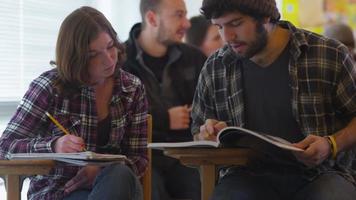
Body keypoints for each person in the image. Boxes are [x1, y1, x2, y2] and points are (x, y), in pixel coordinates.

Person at [191, 0, 356, 199]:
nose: (227, 37)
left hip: (322, 173)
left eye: (236, 24)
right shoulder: (215, 68)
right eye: (219, 26)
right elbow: (197, 131)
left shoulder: (329, 54)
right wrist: (207, 134)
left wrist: (331, 144)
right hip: (245, 176)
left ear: (266, 16)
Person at [0, 6, 148, 200]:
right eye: (93, 55)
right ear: (75, 58)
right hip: (60, 192)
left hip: (115, 186)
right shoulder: (48, 87)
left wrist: (101, 170)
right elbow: (5, 148)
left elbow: (139, 158)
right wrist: (54, 146)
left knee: (118, 175)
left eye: (110, 46)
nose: (108, 59)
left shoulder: (132, 88)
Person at [123, 0, 206, 199]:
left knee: (196, 185)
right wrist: (165, 119)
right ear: (152, 18)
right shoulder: (121, 59)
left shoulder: (194, 58)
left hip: (185, 155)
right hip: (140, 154)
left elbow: (209, 106)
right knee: (147, 186)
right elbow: (118, 115)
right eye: (178, 15)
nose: (187, 23)